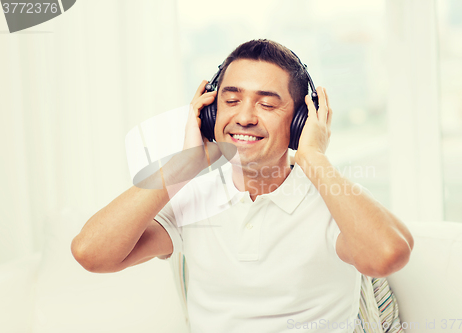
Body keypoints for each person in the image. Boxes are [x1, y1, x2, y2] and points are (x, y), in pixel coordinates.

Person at [71, 39, 414, 333]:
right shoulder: (192, 200)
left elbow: (387, 254)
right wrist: (187, 163)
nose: (245, 117)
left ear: (300, 122)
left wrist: (312, 156)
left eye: (266, 104)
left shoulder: (334, 202)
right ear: (209, 115)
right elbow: (92, 254)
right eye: (231, 101)